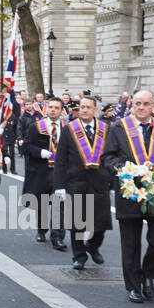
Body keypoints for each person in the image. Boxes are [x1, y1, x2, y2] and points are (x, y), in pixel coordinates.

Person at [102, 89, 154, 302]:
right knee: (131, 243)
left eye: (145, 104)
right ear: (131, 106)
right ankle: (134, 285)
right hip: (129, 192)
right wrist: (125, 170)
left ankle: (148, 274)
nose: (141, 108)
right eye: (137, 104)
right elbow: (108, 157)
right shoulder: (119, 128)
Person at [53, 95, 112, 269]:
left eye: (88, 107)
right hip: (76, 182)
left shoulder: (106, 129)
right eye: (82, 107)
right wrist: (59, 186)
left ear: (95, 110)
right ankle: (79, 256)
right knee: (77, 223)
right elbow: (61, 159)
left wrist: (113, 183)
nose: (84, 110)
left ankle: (93, 246)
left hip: (99, 182)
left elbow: (110, 156)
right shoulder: (69, 130)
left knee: (100, 223)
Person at [22, 96, 67, 249]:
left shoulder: (67, 128)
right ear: (47, 108)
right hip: (42, 170)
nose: (53, 110)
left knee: (59, 203)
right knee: (41, 203)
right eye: (51, 107)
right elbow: (26, 146)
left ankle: (58, 236)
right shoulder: (36, 127)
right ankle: (41, 230)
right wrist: (39, 152)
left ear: (61, 111)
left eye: (57, 108)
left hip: (60, 172)